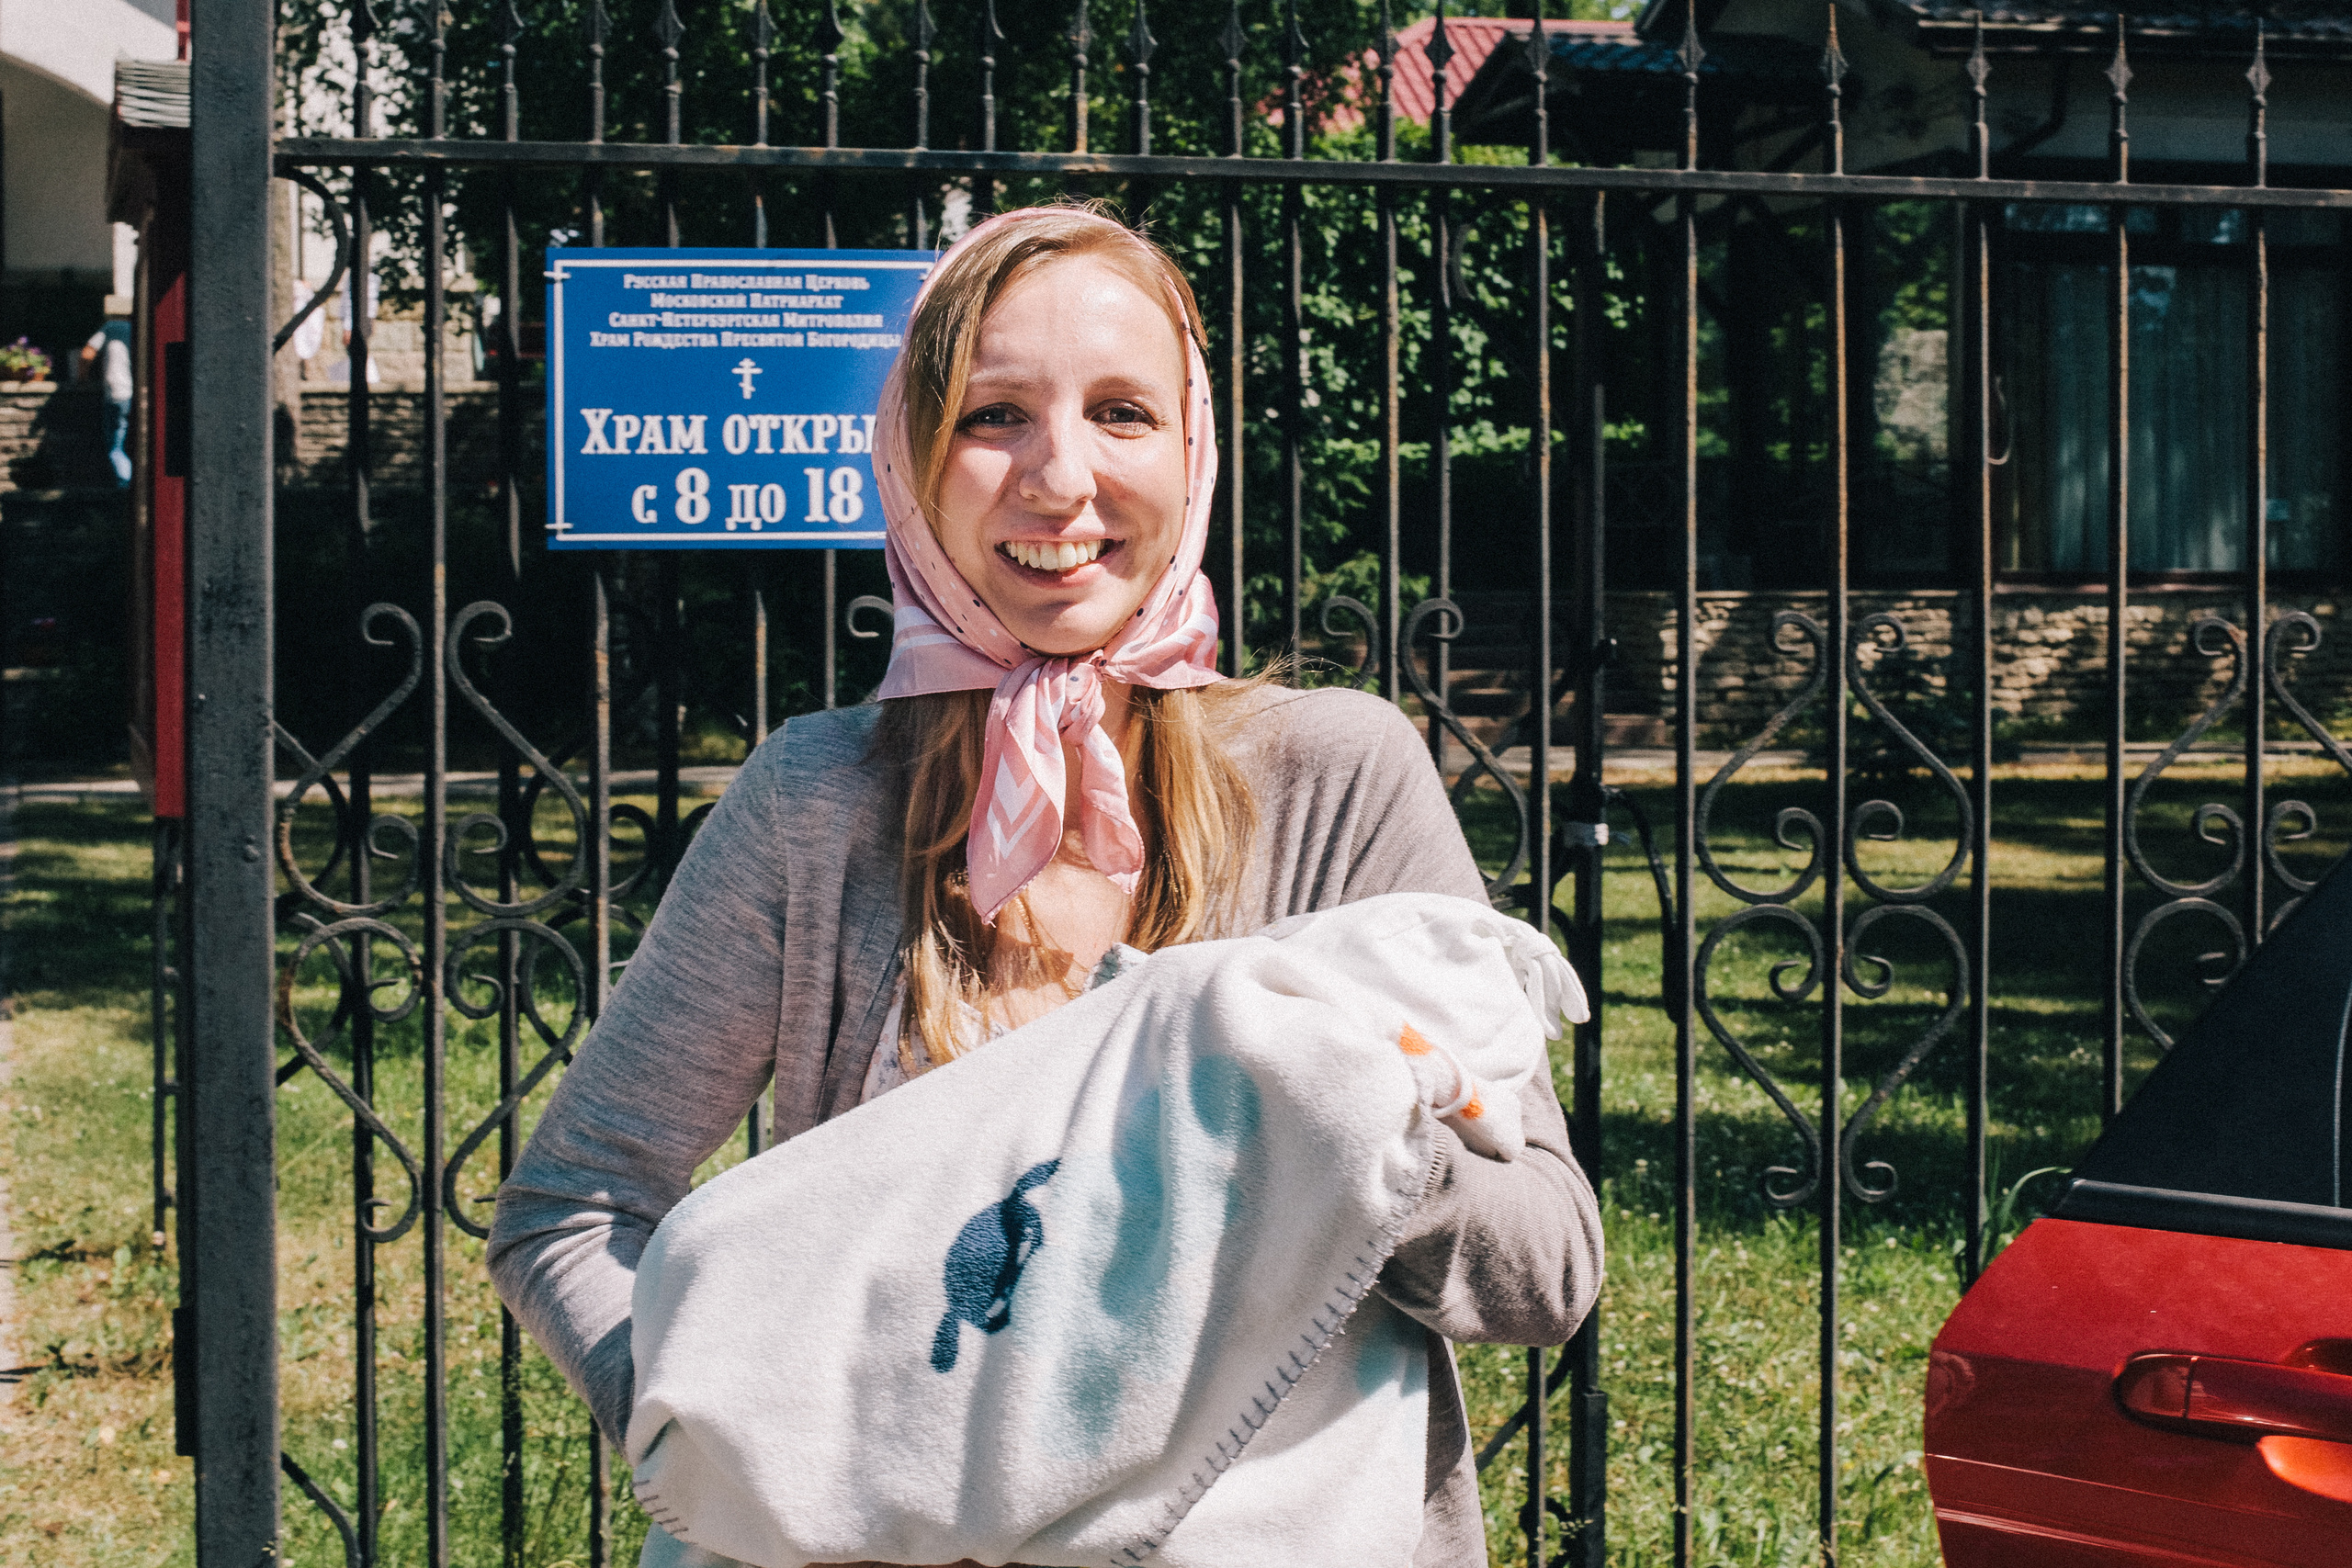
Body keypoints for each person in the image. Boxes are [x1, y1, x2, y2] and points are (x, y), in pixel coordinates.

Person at [490, 203, 1603, 1568]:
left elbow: (1548, 1260)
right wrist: (732, 1462)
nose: (1060, 477)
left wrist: (1347, 1127)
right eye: (992, 412)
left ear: (1193, 452)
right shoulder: (816, 801)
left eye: (1123, 411)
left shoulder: (1337, 777)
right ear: (911, 455)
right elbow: (575, 1202)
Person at [81, 298, 133, 488]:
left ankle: (125, 485)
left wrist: (82, 378)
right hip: (139, 394)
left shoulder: (111, 327)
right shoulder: (142, 328)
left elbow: (87, 353)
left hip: (118, 393)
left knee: (115, 446)